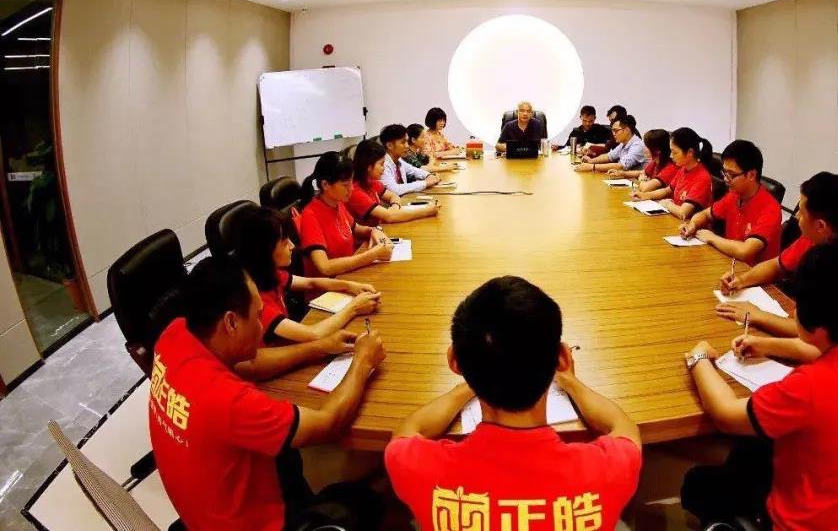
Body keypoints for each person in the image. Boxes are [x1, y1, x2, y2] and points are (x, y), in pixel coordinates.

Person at [384, 276, 642, 531]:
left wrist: (478, 374)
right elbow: (623, 428)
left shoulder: (414, 467)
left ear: (455, 362)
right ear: (562, 357)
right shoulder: (611, 470)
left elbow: (408, 431)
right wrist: (571, 382)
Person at [150, 256, 387, 531]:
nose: (262, 326)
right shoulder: (228, 400)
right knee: (367, 503)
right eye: (257, 316)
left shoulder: (175, 334)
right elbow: (328, 424)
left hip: (203, 510)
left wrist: (320, 347)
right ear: (231, 323)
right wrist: (362, 362)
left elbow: (250, 363)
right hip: (252, 524)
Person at [681, 242, 838, 530]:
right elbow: (819, 349)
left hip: (797, 522)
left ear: (812, 320)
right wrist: (765, 345)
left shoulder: (810, 387)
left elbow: (724, 414)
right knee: (751, 446)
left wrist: (698, 359)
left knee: (696, 484)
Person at [716, 171, 838, 348]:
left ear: (820, 225)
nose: (796, 217)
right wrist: (740, 281)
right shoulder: (815, 239)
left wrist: (757, 316)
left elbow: (810, 334)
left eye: (801, 212)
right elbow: (776, 266)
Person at [236, 207, 382, 345]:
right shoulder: (257, 302)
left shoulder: (269, 274)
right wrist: (354, 307)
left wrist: (350, 286)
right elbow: (314, 334)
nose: (292, 246)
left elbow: (311, 283)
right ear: (265, 252)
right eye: (285, 243)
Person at [678, 140, 781, 263]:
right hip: (729, 263)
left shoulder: (770, 209)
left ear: (751, 175)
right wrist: (693, 225)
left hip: (751, 271)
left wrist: (712, 238)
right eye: (724, 172)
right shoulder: (733, 196)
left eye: (731, 174)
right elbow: (705, 214)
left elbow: (745, 251)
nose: (725, 179)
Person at [297, 151, 393, 277]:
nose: (351, 189)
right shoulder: (311, 215)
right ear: (325, 185)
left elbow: (355, 228)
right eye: (345, 185)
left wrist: (373, 231)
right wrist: (372, 255)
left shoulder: (338, 203)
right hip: (331, 285)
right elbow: (325, 267)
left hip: (349, 274)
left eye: (351, 183)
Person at [630, 127, 715, 219]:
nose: (671, 155)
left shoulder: (702, 178)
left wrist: (667, 204)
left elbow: (683, 213)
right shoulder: (683, 169)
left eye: (675, 152)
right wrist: (645, 196)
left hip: (687, 224)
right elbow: (667, 190)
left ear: (690, 152)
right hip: (673, 218)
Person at [350, 138, 439, 224]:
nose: (384, 168)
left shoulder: (372, 182)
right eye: (381, 164)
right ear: (368, 167)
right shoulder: (355, 191)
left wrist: (395, 207)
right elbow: (390, 217)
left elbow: (393, 196)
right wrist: (427, 211)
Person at [380, 124, 441, 196]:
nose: (407, 146)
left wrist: (428, 175)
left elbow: (414, 170)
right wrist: (425, 183)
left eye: (406, 141)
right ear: (389, 145)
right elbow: (395, 190)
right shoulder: (382, 164)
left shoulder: (399, 160)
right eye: (403, 142)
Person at [576, 115, 645, 173]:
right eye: (612, 131)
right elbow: (609, 156)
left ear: (627, 130)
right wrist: (591, 161)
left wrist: (592, 167)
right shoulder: (623, 143)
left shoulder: (637, 145)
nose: (613, 134)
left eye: (616, 130)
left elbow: (621, 166)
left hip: (635, 182)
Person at [608, 128, 677, 186]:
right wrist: (621, 173)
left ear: (657, 151)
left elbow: (646, 187)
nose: (643, 148)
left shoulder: (670, 168)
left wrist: (642, 180)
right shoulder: (655, 162)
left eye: (646, 146)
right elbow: (642, 173)